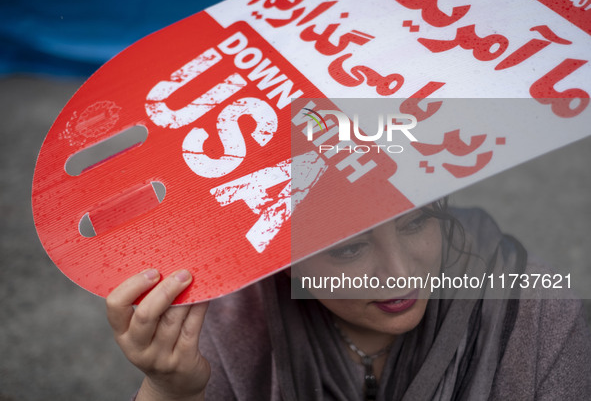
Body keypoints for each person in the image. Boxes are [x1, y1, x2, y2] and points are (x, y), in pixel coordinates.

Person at [106, 199, 591, 400]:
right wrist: (170, 390)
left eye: (418, 222)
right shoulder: (229, 325)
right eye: (349, 248)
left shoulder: (536, 313)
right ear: (280, 259)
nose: (401, 274)